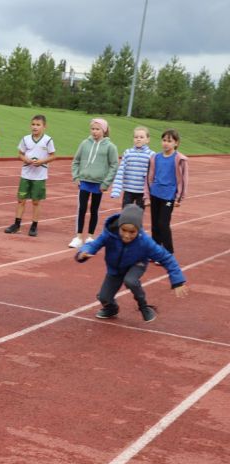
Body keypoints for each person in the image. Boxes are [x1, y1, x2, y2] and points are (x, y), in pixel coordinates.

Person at [76, 204, 189, 322]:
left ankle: (143, 306)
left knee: (130, 280)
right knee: (104, 297)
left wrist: (178, 281)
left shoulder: (145, 242)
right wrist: (84, 251)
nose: (127, 235)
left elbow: (166, 258)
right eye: (124, 230)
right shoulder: (109, 234)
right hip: (115, 268)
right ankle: (111, 308)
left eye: (132, 232)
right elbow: (94, 244)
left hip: (137, 264)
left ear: (138, 229)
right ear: (119, 226)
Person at [69, 118, 119, 248]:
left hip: (98, 183)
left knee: (94, 210)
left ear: (104, 130)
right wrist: (76, 177)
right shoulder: (85, 144)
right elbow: (76, 161)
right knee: (82, 209)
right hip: (84, 181)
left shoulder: (110, 147)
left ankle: (90, 236)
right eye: (93, 129)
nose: (94, 132)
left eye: (97, 129)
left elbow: (114, 165)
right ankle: (78, 236)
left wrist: (106, 183)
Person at [4, 114, 56, 236]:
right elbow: (20, 154)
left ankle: (34, 225)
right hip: (26, 174)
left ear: (44, 126)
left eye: (38, 125)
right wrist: (25, 159)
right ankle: (16, 225)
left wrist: (42, 162)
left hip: (39, 176)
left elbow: (53, 156)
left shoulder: (48, 140)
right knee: (21, 200)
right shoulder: (25, 139)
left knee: (36, 202)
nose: (35, 127)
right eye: (33, 124)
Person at [144, 129, 189, 255]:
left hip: (169, 197)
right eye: (164, 140)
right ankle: (156, 251)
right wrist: (147, 196)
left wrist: (179, 198)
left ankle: (168, 252)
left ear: (176, 143)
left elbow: (184, 180)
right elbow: (149, 178)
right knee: (154, 225)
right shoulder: (155, 158)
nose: (166, 143)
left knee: (163, 224)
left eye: (169, 141)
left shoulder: (180, 159)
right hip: (155, 195)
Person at [111, 126, 154, 208]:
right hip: (128, 190)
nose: (138, 139)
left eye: (141, 137)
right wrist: (116, 190)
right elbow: (120, 172)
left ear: (147, 140)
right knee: (125, 213)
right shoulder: (127, 153)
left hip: (142, 192)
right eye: (136, 137)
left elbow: (153, 175)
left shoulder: (151, 155)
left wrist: (151, 193)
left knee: (138, 214)